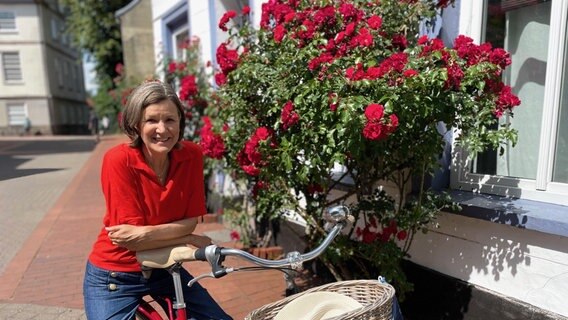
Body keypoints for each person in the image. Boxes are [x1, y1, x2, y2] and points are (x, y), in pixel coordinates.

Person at [83, 80, 232, 320]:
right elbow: (133, 242)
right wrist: (189, 238)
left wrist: (152, 233)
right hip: (115, 275)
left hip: (164, 267)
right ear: (136, 124)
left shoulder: (191, 156)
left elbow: (188, 221)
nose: (162, 130)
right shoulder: (118, 160)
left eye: (170, 120)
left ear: (180, 123)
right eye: (152, 120)